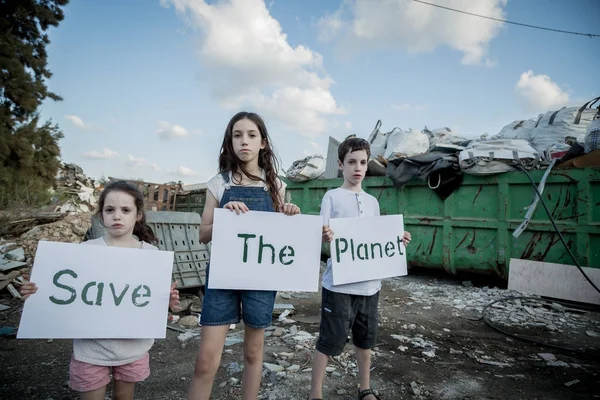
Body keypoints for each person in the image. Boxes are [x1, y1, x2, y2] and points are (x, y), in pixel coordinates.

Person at [20, 180, 180, 400]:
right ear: (101, 214)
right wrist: (35, 292)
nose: (117, 216)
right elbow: (61, 293)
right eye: (110, 210)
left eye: (125, 210)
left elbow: (152, 301)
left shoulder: (151, 255)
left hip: (133, 350)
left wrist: (168, 300)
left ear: (138, 215)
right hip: (90, 351)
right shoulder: (85, 251)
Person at [187, 111, 301, 400]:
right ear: (230, 141)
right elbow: (203, 234)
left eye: (251, 135)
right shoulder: (219, 183)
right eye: (237, 135)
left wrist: (289, 213)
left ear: (263, 143)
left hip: (260, 279)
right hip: (222, 279)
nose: (244, 141)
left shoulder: (275, 185)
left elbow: (280, 236)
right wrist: (224, 215)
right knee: (206, 360)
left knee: (252, 352)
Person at [307, 137, 411, 400]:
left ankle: (364, 389)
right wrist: (325, 234)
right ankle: (315, 393)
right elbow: (320, 232)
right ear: (341, 165)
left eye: (363, 162)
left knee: (366, 340)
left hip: (369, 285)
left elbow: (374, 238)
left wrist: (396, 240)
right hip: (339, 284)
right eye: (352, 162)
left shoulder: (373, 202)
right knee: (330, 340)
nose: (358, 168)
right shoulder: (332, 197)